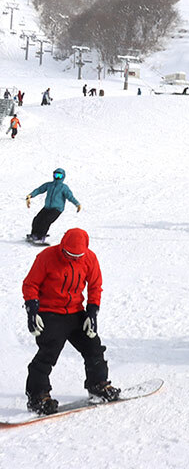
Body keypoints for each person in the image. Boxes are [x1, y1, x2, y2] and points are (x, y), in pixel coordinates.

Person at [22, 228, 120, 415]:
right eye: (69, 254)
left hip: (75, 312)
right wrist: (32, 310)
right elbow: (30, 284)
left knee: (93, 347)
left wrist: (92, 312)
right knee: (48, 353)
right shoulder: (46, 257)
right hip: (50, 313)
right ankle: (38, 396)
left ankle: (98, 384)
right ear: (62, 246)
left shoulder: (89, 258)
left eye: (77, 256)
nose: (73, 258)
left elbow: (95, 286)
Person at [26, 168, 81, 243]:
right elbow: (39, 190)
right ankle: (34, 234)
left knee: (46, 220)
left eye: (59, 176)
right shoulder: (49, 185)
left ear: (63, 176)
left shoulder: (64, 187)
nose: (57, 177)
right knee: (37, 219)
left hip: (57, 209)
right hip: (47, 207)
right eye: (56, 175)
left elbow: (70, 197)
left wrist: (77, 204)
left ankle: (41, 237)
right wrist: (31, 195)